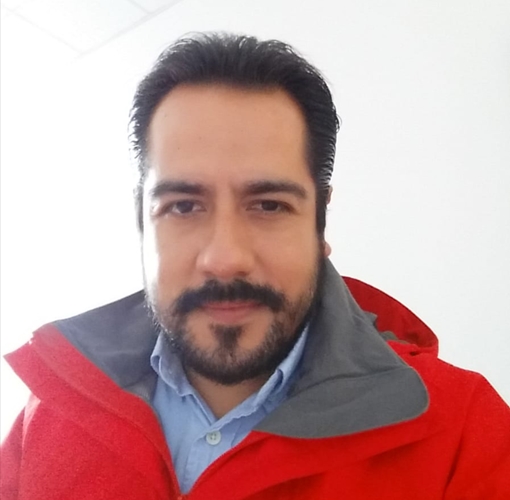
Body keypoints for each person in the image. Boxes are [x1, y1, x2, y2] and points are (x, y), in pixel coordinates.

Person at [1, 32, 509, 500]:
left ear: (320, 224)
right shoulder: (48, 416)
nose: (225, 259)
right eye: (183, 206)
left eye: (268, 205)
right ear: (143, 223)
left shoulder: (466, 433)